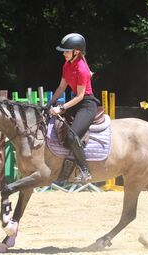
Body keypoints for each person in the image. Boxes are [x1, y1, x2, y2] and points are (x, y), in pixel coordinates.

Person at [48, 33, 100, 184]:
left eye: (66, 51)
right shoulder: (67, 65)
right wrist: (49, 104)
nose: (63, 54)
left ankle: (85, 170)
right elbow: (61, 87)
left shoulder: (82, 68)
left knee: (71, 136)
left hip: (86, 104)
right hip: (76, 103)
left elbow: (80, 96)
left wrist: (61, 108)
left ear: (76, 52)